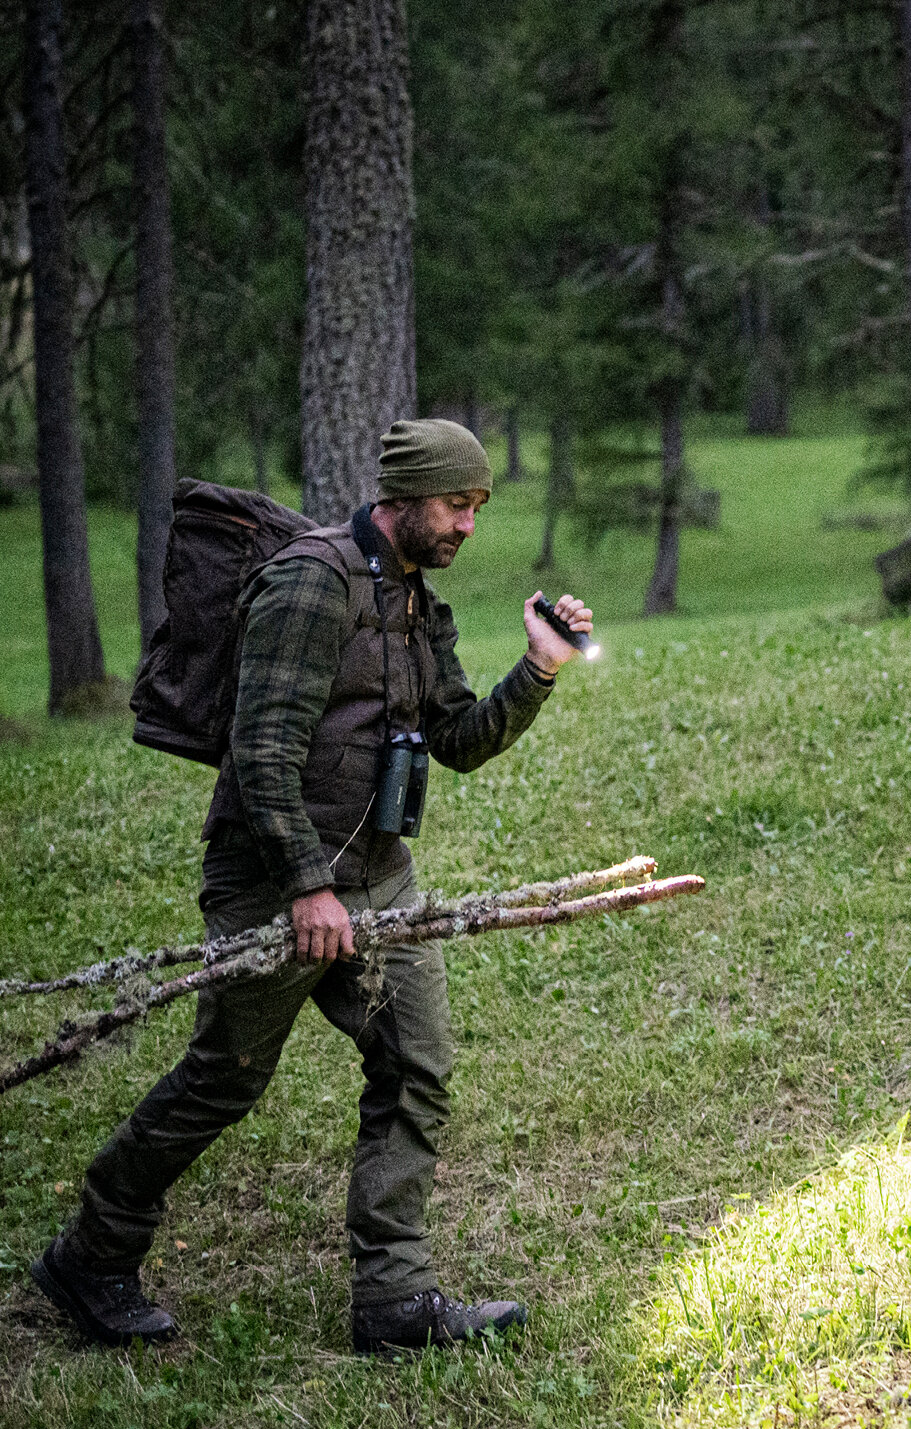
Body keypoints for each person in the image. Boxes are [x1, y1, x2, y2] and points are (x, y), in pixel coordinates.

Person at [31, 419, 592, 1355]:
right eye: (456, 505)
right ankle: (92, 1252)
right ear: (404, 496)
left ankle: (395, 1303)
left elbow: (456, 742)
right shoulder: (308, 583)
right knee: (224, 1080)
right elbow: (260, 751)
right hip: (274, 880)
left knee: (415, 1066)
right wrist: (305, 887)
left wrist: (538, 667)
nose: (468, 526)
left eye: (478, 508)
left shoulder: (418, 605)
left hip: (381, 877)